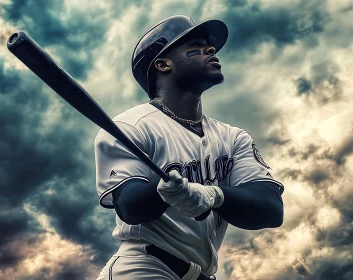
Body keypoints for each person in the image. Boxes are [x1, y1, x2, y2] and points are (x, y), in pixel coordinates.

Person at [94, 15, 285, 280]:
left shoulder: (233, 137)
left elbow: (270, 209)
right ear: (163, 64)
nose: (211, 50)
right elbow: (129, 206)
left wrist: (214, 194)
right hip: (143, 268)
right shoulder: (131, 125)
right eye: (195, 46)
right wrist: (163, 191)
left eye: (211, 46)